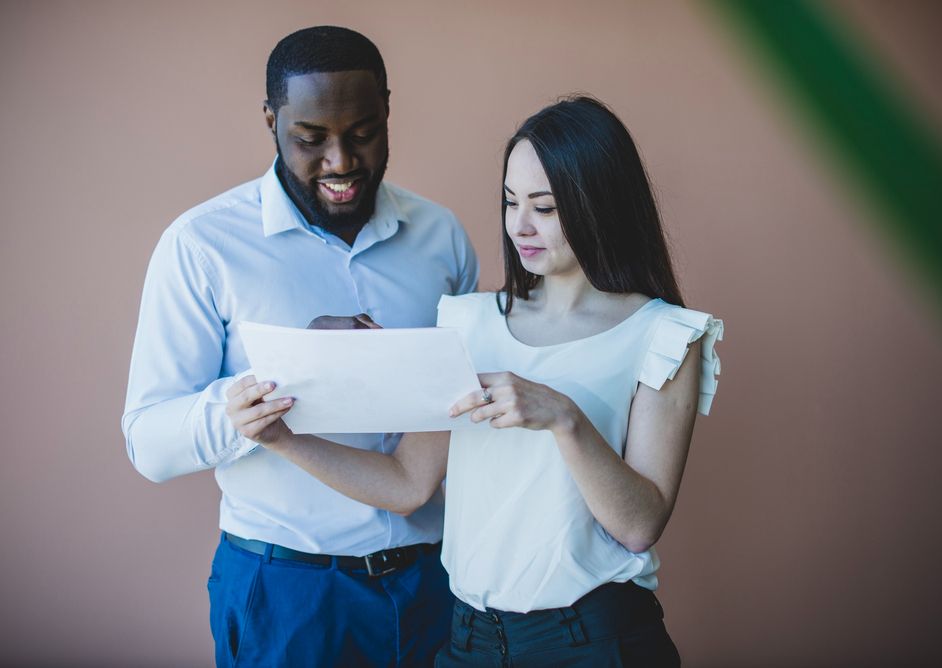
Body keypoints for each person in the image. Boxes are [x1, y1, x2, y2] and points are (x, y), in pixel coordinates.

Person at [228, 96, 723, 666]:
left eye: (545, 206)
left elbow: (640, 526)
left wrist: (565, 418)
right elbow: (408, 483)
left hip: (593, 638)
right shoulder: (466, 321)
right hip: (468, 640)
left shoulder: (663, 336)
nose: (520, 225)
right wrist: (282, 440)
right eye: (511, 202)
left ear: (599, 206)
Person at [122, 26, 478, 668]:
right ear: (271, 120)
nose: (340, 162)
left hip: (434, 583)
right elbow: (148, 442)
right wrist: (278, 379)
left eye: (363, 132)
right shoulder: (202, 246)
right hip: (286, 595)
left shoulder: (441, 238)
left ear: (388, 111)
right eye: (310, 140)